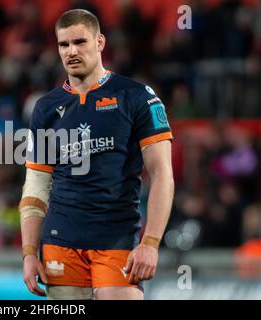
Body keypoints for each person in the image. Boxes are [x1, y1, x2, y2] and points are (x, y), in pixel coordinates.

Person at [19, 9, 174, 300]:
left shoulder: (137, 96)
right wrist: (29, 252)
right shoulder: (45, 108)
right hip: (59, 241)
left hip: (115, 240)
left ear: (100, 42)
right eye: (64, 45)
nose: (71, 51)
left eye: (80, 42)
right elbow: (37, 184)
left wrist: (151, 242)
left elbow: (162, 173)